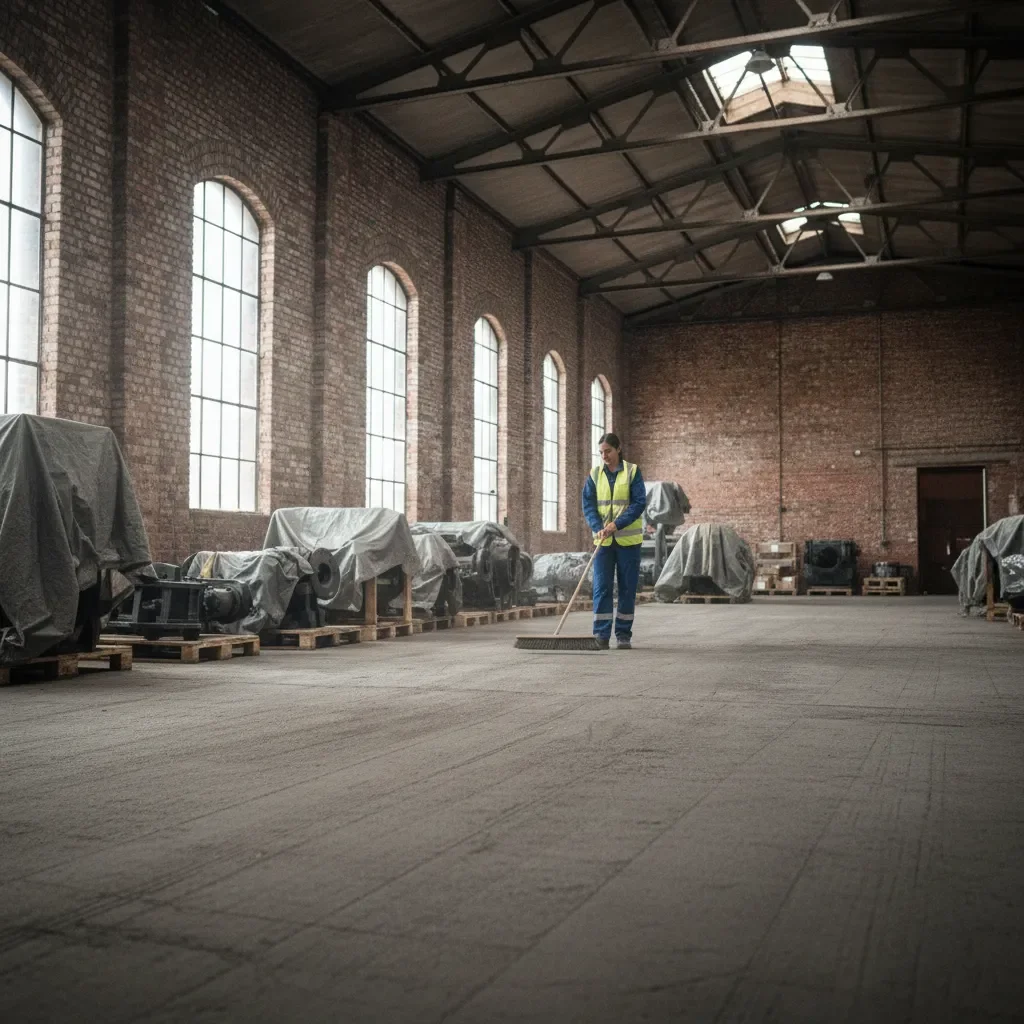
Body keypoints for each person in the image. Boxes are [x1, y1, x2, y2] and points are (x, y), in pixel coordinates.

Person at [581, 432, 647, 650]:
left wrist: (616, 525)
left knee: (627, 588)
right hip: (604, 542)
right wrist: (598, 527)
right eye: (601, 452)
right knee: (602, 587)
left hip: (628, 542)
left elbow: (638, 503)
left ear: (618, 449)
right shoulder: (595, 474)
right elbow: (588, 505)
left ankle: (623, 634)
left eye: (608, 451)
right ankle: (601, 634)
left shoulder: (633, 472)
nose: (604, 456)